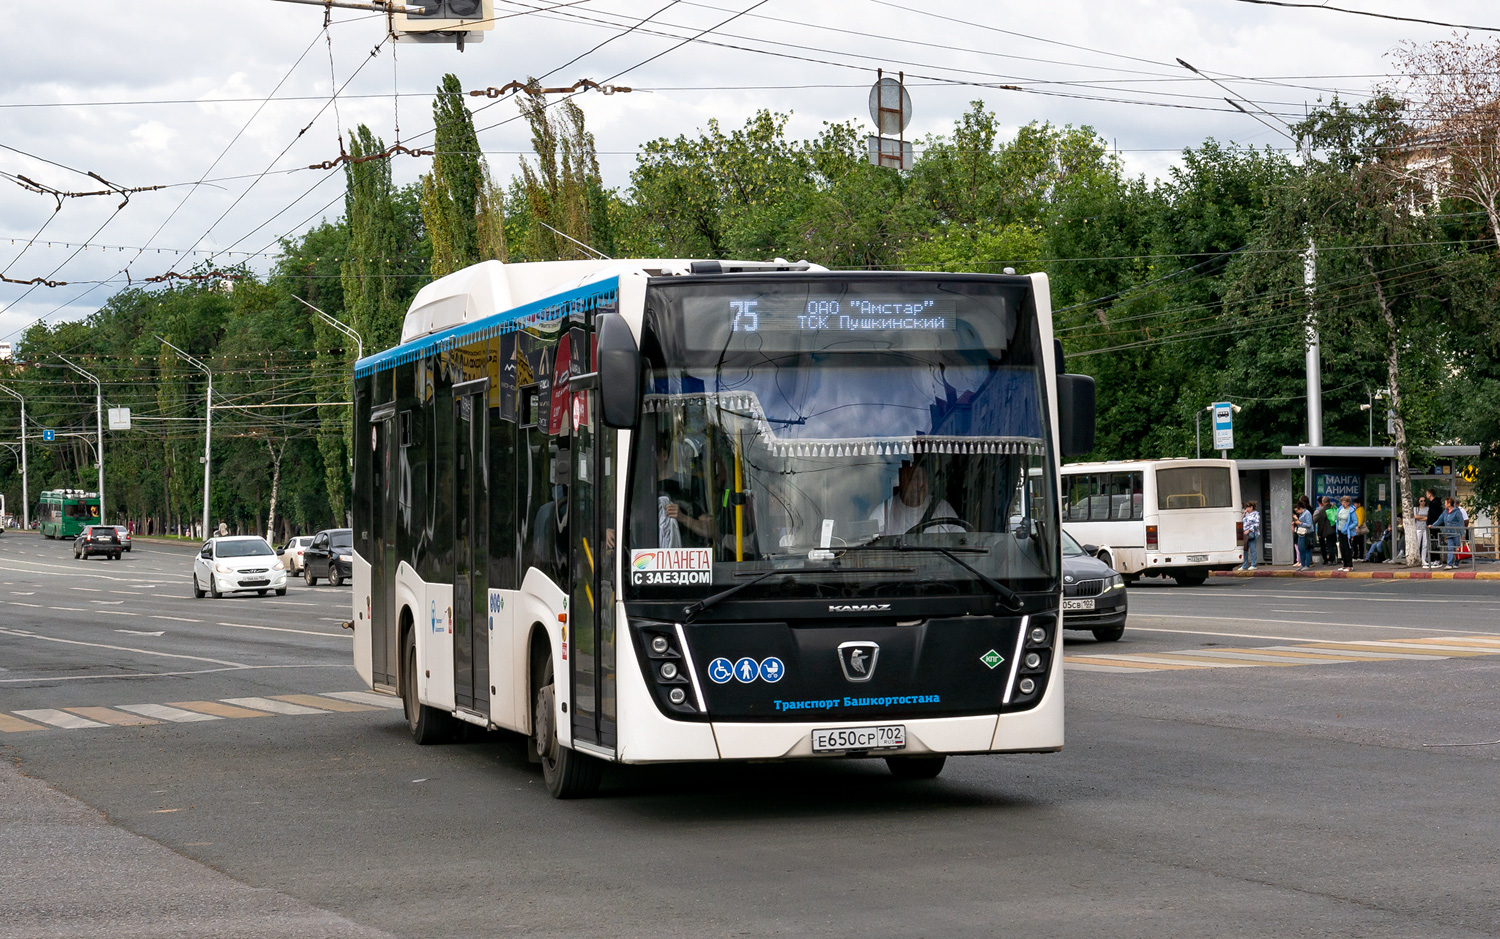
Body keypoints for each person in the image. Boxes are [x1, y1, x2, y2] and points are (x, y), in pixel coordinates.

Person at [869, 461, 960, 536]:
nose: (920, 485)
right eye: (914, 479)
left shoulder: (942, 508)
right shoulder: (884, 511)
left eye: (923, 478)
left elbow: (961, 537)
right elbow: (869, 544)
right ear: (903, 482)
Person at [1435, 497, 1464, 569]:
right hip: (1449, 533)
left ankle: (1456, 563)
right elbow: (1440, 520)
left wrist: (1463, 534)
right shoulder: (1445, 511)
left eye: (1445, 503)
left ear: (1449, 504)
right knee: (1450, 548)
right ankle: (1449, 564)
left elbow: (1461, 523)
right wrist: (1432, 525)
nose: (1444, 504)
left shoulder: (1457, 512)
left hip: (1456, 533)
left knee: (1457, 548)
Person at [1335, 494, 1358, 571]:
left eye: (1344, 502)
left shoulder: (1351, 510)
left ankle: (1349, 565)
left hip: (1347, 532)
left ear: (1348, 502)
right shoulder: (1340, 508)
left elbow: (1355, 522)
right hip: (1340, 530)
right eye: (1342, 502)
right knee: (1341, 548)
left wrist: (1348, 527)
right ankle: (1344, 564)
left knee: (1347, 548)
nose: (1343, 504)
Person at [1314, 496, 1337, 566]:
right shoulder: (1333, 508)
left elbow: (1321, 524)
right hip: (1334, 529)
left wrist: (1320, 533)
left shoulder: (1322, 511)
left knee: (1329, 546)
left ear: (1323, 503)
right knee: (1334, 545)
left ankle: (1331, 560)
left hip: (1327, 531)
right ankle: (1336, 559)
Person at [1294, 498, 1315, 571]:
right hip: (1301, 533)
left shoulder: (1307, 513)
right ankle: (1302, 564)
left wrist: (1300, 523)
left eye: (1297, 510)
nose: (1297, 512)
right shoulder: (1301, 514)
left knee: (1307, 549)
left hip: (1307, 533)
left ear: (1300, 508)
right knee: (1301, 549)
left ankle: (1307, 564)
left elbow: (1309, 524)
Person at [1424, 489, 1443, 568]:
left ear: (1430, 494)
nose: (1426, 495)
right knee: (1432, 542)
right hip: (1432, 526)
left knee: (1434, 542)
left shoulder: (1435, 503)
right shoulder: (1433, 503)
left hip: (1434, 527)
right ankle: (1432, 559)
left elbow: (1434, 516)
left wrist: (1431, 524)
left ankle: (1436, 559)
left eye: (1427, 493)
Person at [1239, 501, 1261, 570]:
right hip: (1245, 534)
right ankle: (1245, 564)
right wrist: (1244, 514)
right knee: (1245, 550)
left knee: (1252, 549)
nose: (1247, 509)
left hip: (1252, 533)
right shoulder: (1246, 514)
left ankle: (1254, 564)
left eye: (1248, 507)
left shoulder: (1256, 514)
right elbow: (1241, 521)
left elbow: (1256, 524)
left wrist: (1249, 530)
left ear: (1251, 507)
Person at [1413, 496, 1428, 567]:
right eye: (1421, 501)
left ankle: (1423, 559)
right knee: (1418, 543)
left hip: (1425, 527)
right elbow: (1415, 517)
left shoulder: (1427, 509)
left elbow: (1427, 518)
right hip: (1418, 527)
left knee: (1425, 544)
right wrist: (1423, 518)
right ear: (1418, 501)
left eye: (1424, 501)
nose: (1423, 502)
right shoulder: (1416, 509)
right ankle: (1417, 558)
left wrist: (1420, 518)